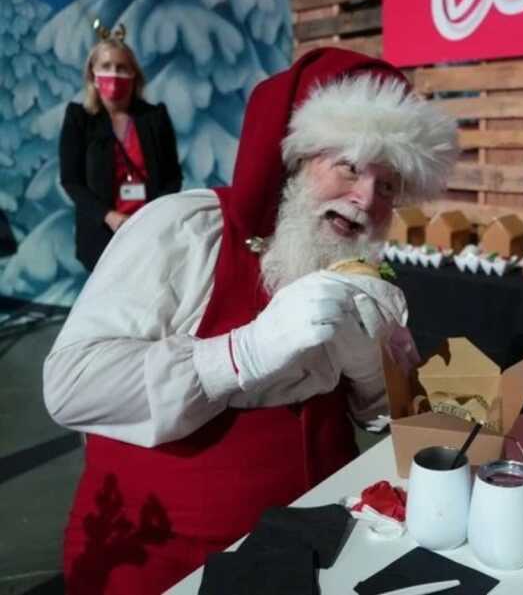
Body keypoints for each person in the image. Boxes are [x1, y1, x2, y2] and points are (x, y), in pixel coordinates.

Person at [43, 47, 458, 594]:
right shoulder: (184, 231)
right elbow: (70, 387)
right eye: (350, 167)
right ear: (294, 159)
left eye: (387, 185)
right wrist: (239, 355)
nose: (365, 199)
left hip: (328, 556)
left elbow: (390, 421)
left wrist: (372, 377)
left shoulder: (364, 276)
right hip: (171, 564)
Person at [59, 25, 182, 272]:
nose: (113, 73)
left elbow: (173, 177)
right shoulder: (79, 119)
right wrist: (109, 216)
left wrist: (150, 217)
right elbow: (71, 181)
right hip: (101, 234)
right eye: (105, 66)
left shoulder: (155, 117)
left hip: (149, 233)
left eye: (121, 67)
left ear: (134, 74)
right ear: (92, 75)